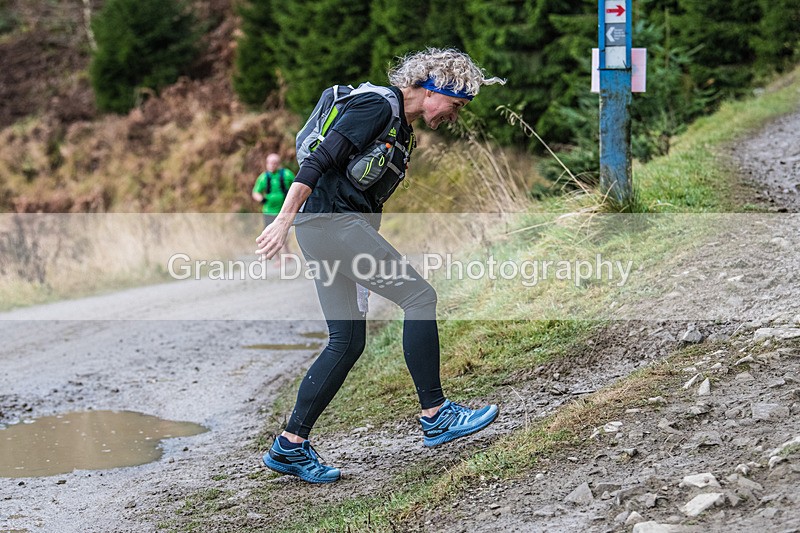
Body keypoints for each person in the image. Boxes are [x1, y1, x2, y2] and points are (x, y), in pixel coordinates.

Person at [255, 48, 505, 484]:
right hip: (328, 224)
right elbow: (317, 162)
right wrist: (282, 220)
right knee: (419, 295)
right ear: (433, 89)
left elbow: (368, 197)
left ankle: (290, 446)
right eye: (457, 105)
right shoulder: (376, 106)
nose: (456, 115)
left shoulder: (402, 130)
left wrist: (364, 261)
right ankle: (436, 415)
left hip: (333, 229)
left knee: (347, 342)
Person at [252, 153, 295, 258]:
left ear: (278, 164)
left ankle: (288, 254)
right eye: (270, 163)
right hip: (269, 211)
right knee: (271, 236)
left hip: (284, 211)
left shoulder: (287, 174)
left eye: (274, 163)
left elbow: (297, 187)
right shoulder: (263, 178)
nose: (272, 165)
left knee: (286, 234)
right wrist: (261, 199)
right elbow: (255, 192)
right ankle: (277, 258)